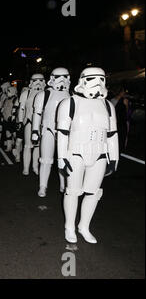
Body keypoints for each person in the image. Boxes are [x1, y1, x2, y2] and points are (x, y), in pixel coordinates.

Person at [57, 67, 119, 244]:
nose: (98, 83)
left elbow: (112, 134)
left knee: (93, 193)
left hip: (99, 154)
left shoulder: (107, 106)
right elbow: (62, 132)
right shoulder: (69, 103)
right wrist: (61, 157)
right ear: (83, 80)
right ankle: (69, 226)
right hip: (75, 153)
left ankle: (84, 226)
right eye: (93, 78)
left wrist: (114, 158)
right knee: (73, 191)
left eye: (102, 79)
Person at [32, 68, 71, 197]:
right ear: (52, 78)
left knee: (63, 159)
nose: (62, 80)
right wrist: (35, 131)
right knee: (45, 160)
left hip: (65, 132)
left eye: (65, 77)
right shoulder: (44, 95)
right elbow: (37, 114)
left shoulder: (71, 95)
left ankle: (63, 184)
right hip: (48, 129)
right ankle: (43, 186)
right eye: (59, 77)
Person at [17, 74, 46, 176]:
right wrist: (20, 121)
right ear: (31, 81)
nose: (38, 82)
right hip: (29, 121)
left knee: (38, 146)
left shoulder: (46, 93)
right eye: (35, 80)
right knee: (28, 146)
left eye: (40, 80)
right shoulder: (26, 93)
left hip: (42, 123)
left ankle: (35, 166)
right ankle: (26, 168)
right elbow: (21, 108)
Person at [110, 86, 130, 153]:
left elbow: (127, 112)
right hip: (118, 123)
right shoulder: (113, 100)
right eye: (123, 92)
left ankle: (120, 150)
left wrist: (126, 105)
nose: (124, 93)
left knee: (121, 138)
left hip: (120, 122)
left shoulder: (114, 100)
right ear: (121, 92)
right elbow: (126, 112)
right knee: (119, 138)